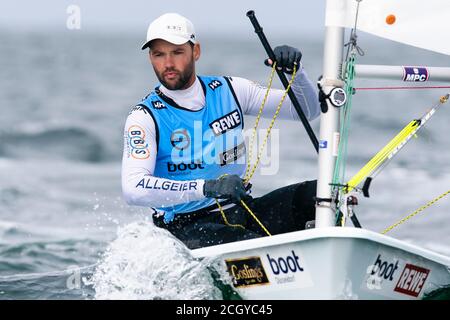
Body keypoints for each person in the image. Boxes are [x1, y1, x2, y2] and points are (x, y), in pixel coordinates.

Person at [122, 13, 320, 249]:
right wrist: (207, 188)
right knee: (252, 245)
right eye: (159, 55)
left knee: (320, 195)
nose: (168, 64)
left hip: (241, 211)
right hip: (186, 228)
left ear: (195, 51)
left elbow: (306, 110)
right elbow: (133, 188)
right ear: (150, 58)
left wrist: (294, 73)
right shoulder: (144, 117)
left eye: (177, 52)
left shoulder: (231, 90)